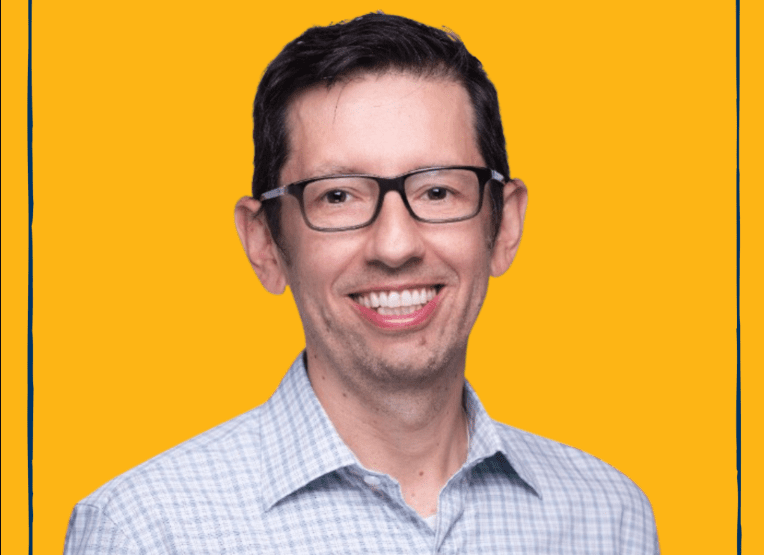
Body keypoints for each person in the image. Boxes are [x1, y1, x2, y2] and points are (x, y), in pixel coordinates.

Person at [64, 13, 659, 553]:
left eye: (437, 190)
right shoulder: (145, 532)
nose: (395, 245)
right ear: (265, 242)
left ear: (504, 226)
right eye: (340, 196)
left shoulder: (609, 517)